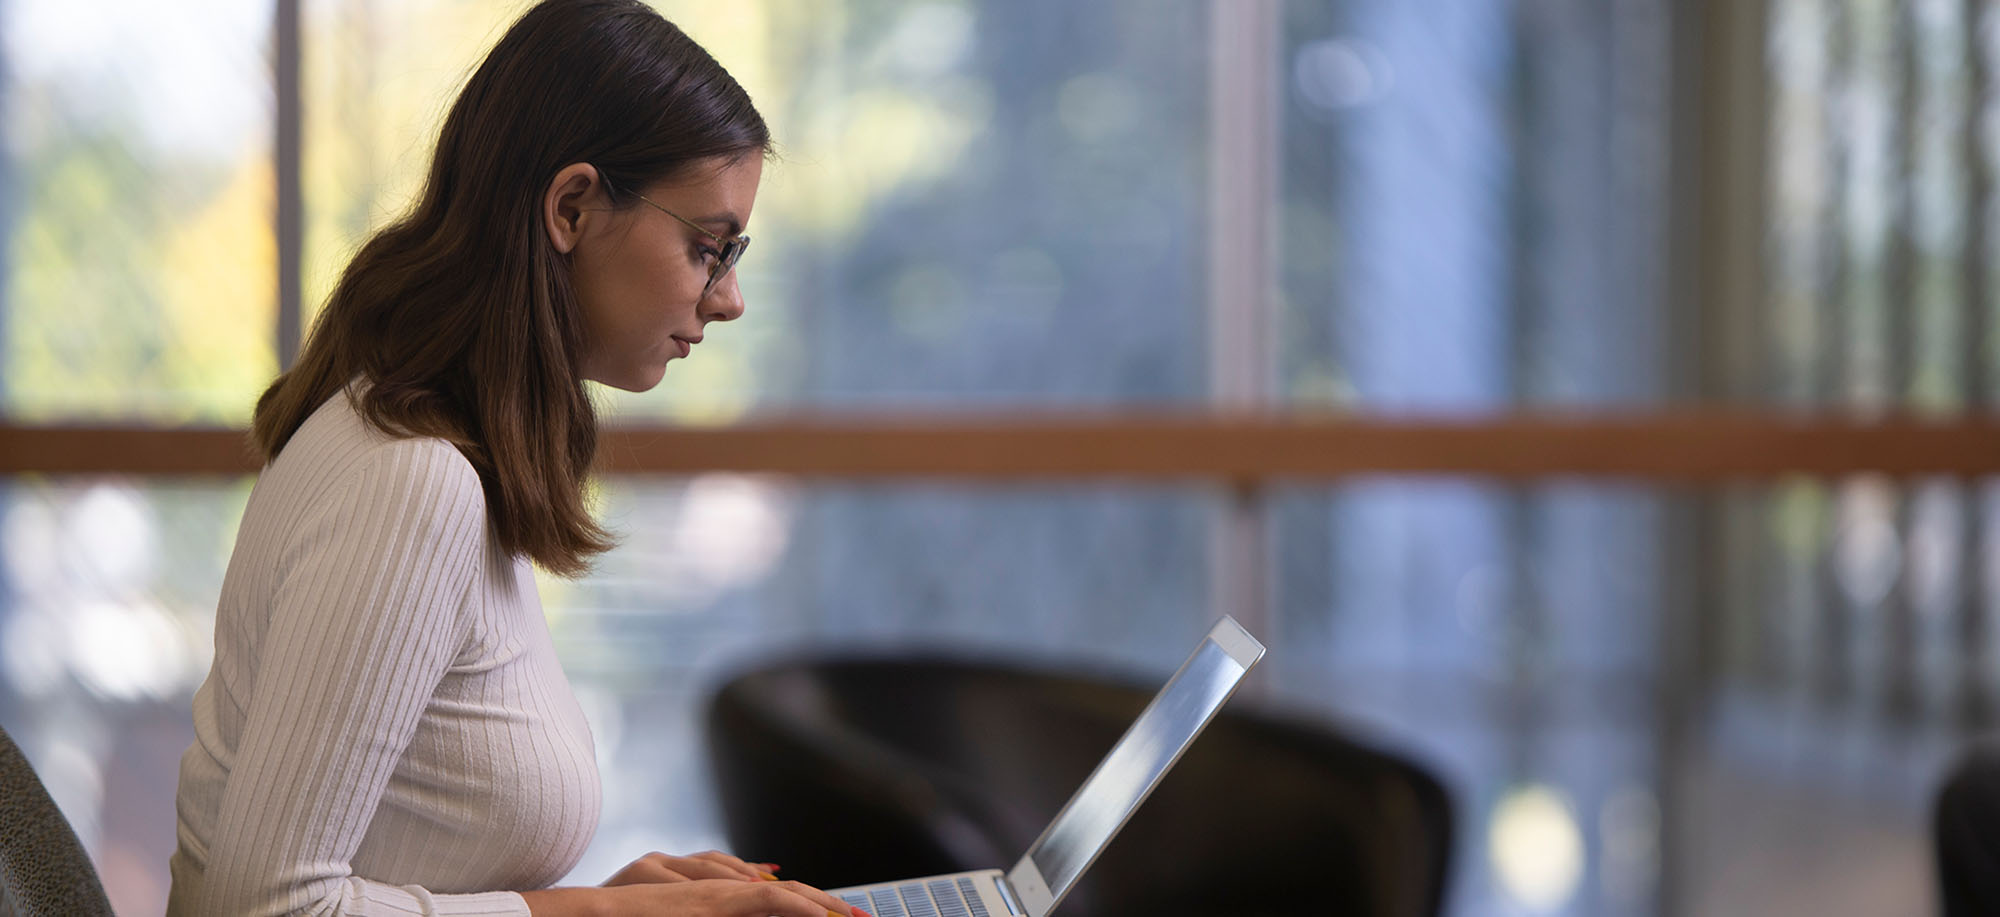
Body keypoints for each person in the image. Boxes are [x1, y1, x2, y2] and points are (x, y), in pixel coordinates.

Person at [165, 3, 867, 915]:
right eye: (708, 247)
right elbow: (267, 908)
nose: (728, 299)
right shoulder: (408, 479)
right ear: (571, 207)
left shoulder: (438, 446)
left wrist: (603, 901)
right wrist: (608, 915)